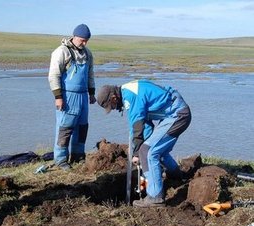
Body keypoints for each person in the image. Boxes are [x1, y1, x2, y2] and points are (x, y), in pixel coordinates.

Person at [96, 80, 191, 207]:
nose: (113, 109)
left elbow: (137, 127)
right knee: (156, 150)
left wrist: (136, 153)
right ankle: (177, 176)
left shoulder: (130, 97)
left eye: (111, 106)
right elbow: (144, 126)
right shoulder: (127, 92)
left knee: (147, 152)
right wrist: (139, 145)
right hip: (173, 113)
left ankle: (155, 197)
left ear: (114, 98)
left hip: (177, 114)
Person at [48, 24, 96, 170]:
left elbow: (90, 74)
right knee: (65, 127)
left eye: (86, 40)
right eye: (82, 40)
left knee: (82, 127)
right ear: (74, 37)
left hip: (82, 96)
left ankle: (78, 155)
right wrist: (58, 96)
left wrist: (92, 93)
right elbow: (53, 75)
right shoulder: (62, 52)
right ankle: (61, 159)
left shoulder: (88, 53)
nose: (84, 43)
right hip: (67, 96)